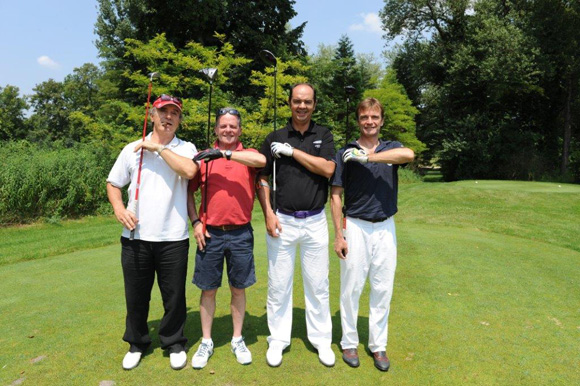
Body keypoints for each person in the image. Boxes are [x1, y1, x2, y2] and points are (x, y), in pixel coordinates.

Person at [106, 94, 197, 371]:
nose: (169, 117)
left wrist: (157, 149)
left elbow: (190, 171)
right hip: (135, 236)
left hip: (173, 236)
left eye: (174, 113)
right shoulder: (132, 148)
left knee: (173, 295)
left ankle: (174, 342)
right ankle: (137, 343)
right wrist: (119, 210)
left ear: (179, 120)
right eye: (163, 112)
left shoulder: (186, 147)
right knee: (136, 294)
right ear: (153, 115)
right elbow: (113, 183)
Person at [330, 97, 415, 371]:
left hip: (386, 226)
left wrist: (367, 157)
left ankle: (378, 346)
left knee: (382, 288)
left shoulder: (392, 148)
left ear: (381, 121)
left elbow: (408, 155)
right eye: (365, 117)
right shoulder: (346, 152)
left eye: (374, 118)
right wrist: (338, 235)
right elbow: (335, 196)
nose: (370, 122)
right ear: (359, 120)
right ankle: (349, 342)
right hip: (355, 225)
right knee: (351, 288)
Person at [257, 83, 336, 367]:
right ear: (289, 103)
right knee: (279, 285)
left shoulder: (323, 134)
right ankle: (278, 340)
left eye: (308, 102)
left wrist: (292, 153)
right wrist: (267, 211)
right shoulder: (274, 137)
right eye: (297, 101)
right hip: (283, 220)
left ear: (314, 105)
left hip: (315, 221)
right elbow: (262, 178)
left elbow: (328, 169)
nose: (302, 106)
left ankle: (321, 340)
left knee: (318, 285)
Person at [187, 108, 266, 369]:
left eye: (233, 126)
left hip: (241, 233)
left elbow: (262, 162)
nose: (228, 130)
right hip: (210, 234)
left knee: (238, 287)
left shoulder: (249, 155)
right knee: (208, 288)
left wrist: (225, 153)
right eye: (223, 126)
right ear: (216, 129)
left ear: (240, 130)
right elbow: (189, 192)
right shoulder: (203, 158)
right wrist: (196, 222)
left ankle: (237, 338)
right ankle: (207, 341)